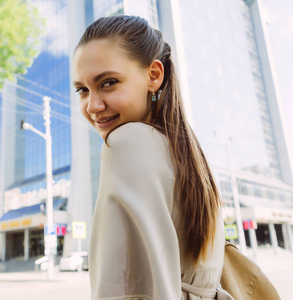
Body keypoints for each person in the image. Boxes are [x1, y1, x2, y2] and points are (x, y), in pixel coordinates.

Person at [73, 15, 232, 299]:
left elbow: (125, 290)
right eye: (82, 90)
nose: (93, 106)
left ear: (153, 75)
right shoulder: (188, 156)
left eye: (108, 83)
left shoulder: (126, 141)